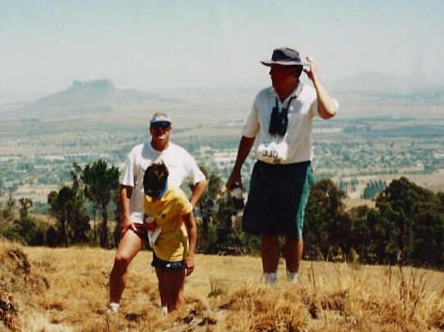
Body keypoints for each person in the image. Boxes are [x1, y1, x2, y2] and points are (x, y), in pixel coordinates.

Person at [225, 47, 339, 285]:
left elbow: (329, 111)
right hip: (265, 169)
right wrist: (236, 169)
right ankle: (270, 283)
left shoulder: (308, 97)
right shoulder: (263, 97)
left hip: (295, 170)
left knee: (292, 228)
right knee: (267, 229)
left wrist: (315, 78)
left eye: (275, 69)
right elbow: (248, 134)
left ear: (291, 72)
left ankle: (292, 282)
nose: (270, 74)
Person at [109, 113, 207, 313]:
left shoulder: (180, 154)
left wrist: (187, 207)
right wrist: (126, 218)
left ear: (170, 128)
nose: (160, 129)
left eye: (164, 125)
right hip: (139, 220)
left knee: (167, 275)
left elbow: (201, 181)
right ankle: (113, 307)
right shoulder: (138, 152)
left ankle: (169, 315)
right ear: (150, 129)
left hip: (168, 227)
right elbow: (125, 186)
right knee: (121, 259)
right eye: (156, 125)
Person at [141, 162, 197, 314]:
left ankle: (176, 328)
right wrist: (148, 224)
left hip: (175, 251)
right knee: (163, 287)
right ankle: (165, 317)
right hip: (158, 247)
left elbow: (192, 227)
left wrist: (190, 256)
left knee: (175, 296)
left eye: (156, 194)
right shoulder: (147, 194)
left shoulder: (178, 198)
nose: (152, 198)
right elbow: (148, 214)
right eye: (149, 193)